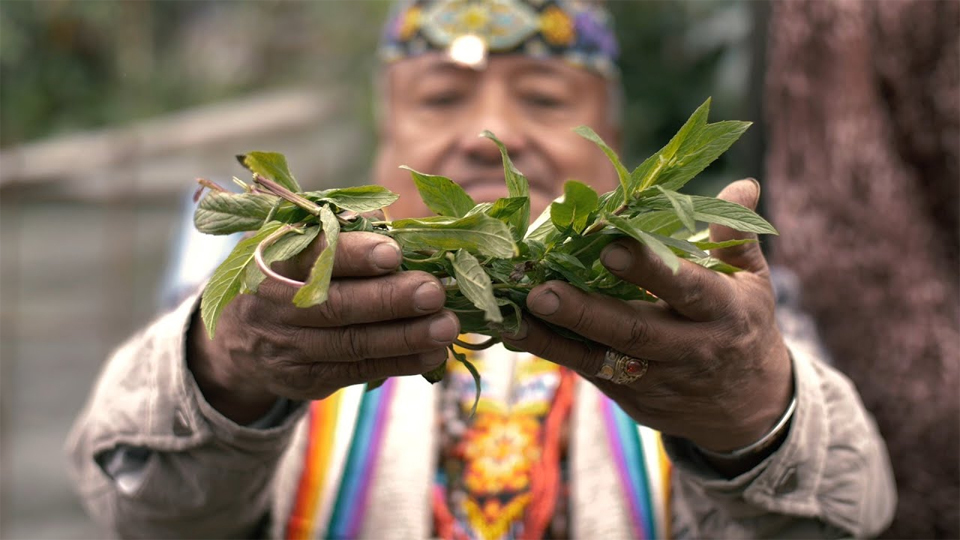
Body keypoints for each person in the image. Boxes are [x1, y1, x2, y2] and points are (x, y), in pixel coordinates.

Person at [66, 1, 896, 538]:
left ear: (616, 151)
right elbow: (132, 506)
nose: (488, 136)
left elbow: (851, 514)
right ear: (381, 146)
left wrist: (751, 407)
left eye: (542, 99)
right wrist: (220, 370)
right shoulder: (276, 304)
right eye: (439, 100)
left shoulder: (713, 314)